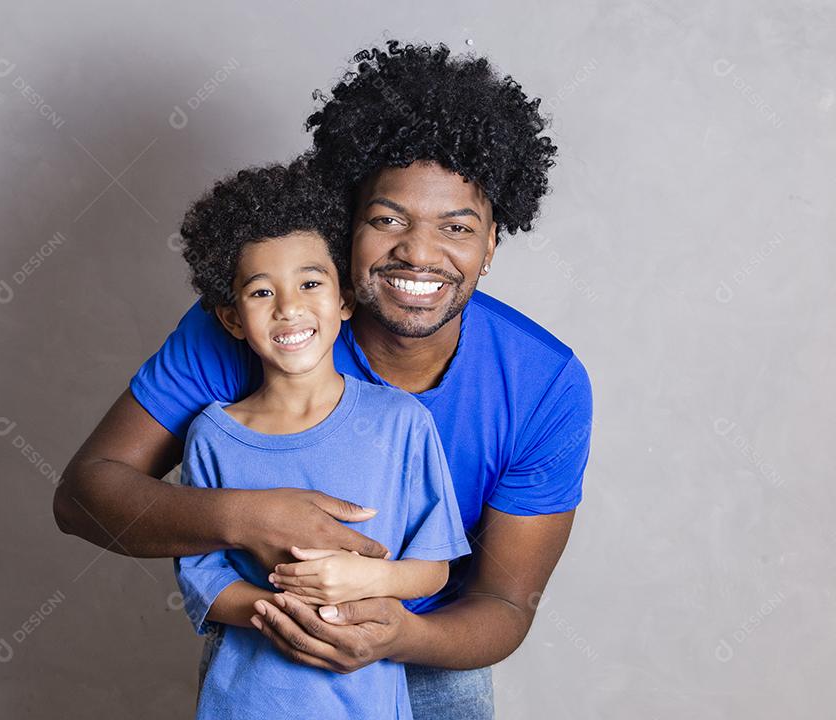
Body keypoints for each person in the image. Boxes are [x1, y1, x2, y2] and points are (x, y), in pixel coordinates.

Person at [55, 40, 593, 719]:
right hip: (266, 652)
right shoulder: (259, 325)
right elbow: (83, 497)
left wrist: (401, 634)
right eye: (387, 219)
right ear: (346, 230)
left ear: (490, 245)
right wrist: (248, 518)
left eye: (456, 227)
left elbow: (506, 604)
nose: (419, 252)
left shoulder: (544, 384)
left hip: (434, 661)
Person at [172, 160, 469, 719]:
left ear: (344, 301)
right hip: (246, 704)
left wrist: (365, 579)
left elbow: (434, 565)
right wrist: (292, 608)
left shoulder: (400, 422)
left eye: (311, 283)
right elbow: (202, 580)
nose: (289, 307)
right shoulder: (212, 435)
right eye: (261, 292)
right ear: (233, 318)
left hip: (365, 702)